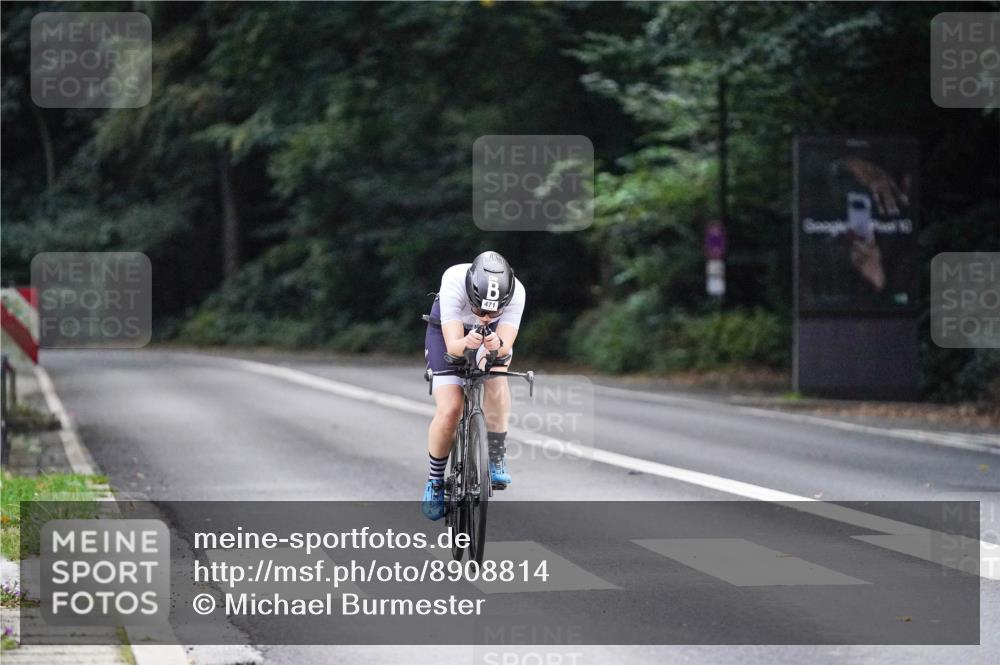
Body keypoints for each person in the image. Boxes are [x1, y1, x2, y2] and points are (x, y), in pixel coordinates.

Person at [421, 251, 526, 521]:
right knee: (450, 409)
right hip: (448, 335)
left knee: (496, 380)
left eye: (494, 311)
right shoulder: (454, 281)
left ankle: (495, 455)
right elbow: (454, 347)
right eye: (480, 309)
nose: (486, 316)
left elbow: (504, 349)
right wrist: (467, 343)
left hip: (491, 341)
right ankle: (434, 482)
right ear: (470, 293)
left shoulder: (517, 293)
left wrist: (496, 346)